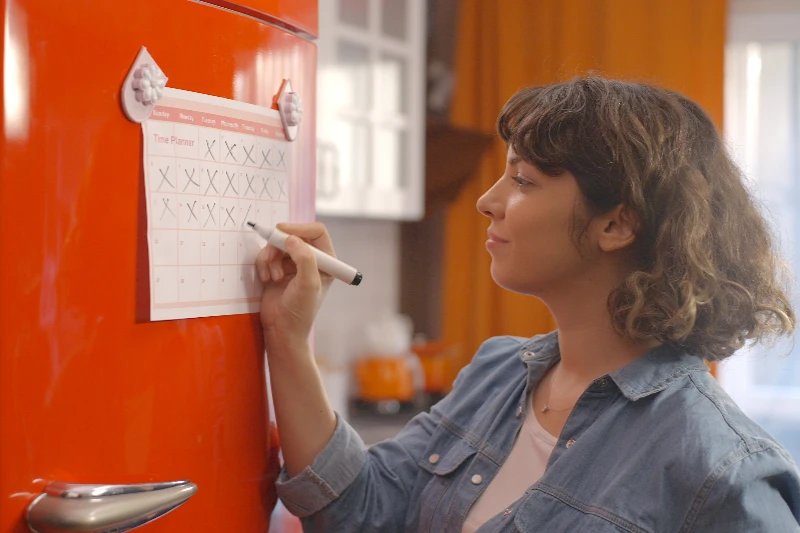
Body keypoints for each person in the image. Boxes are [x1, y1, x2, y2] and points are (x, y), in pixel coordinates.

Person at [255, 77, 800, 532]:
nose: (486, 201)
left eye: (522, 180)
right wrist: (287, 336)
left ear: (617, 223)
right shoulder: (496, 374)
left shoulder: (725, 471)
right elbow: (360, 508)